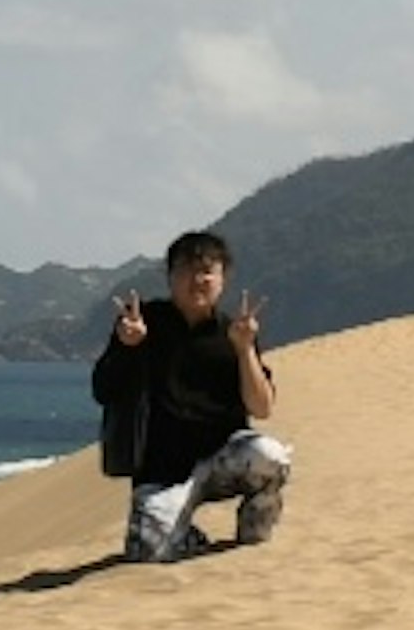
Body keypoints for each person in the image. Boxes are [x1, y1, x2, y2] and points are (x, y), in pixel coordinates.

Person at [91, 229, 293, 564]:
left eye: (207, 271)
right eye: (186, 270)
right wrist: (127, 348)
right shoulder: (143, 324)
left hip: (222, 461)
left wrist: (245, 351)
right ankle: (185, 535)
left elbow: (262, 407)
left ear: (223, 279)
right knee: (147, 553)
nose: (197, 279)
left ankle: (255, 519)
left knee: (270, 457)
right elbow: (102, 390)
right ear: (170, 278)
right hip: (162, 471)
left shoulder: (234, 332)